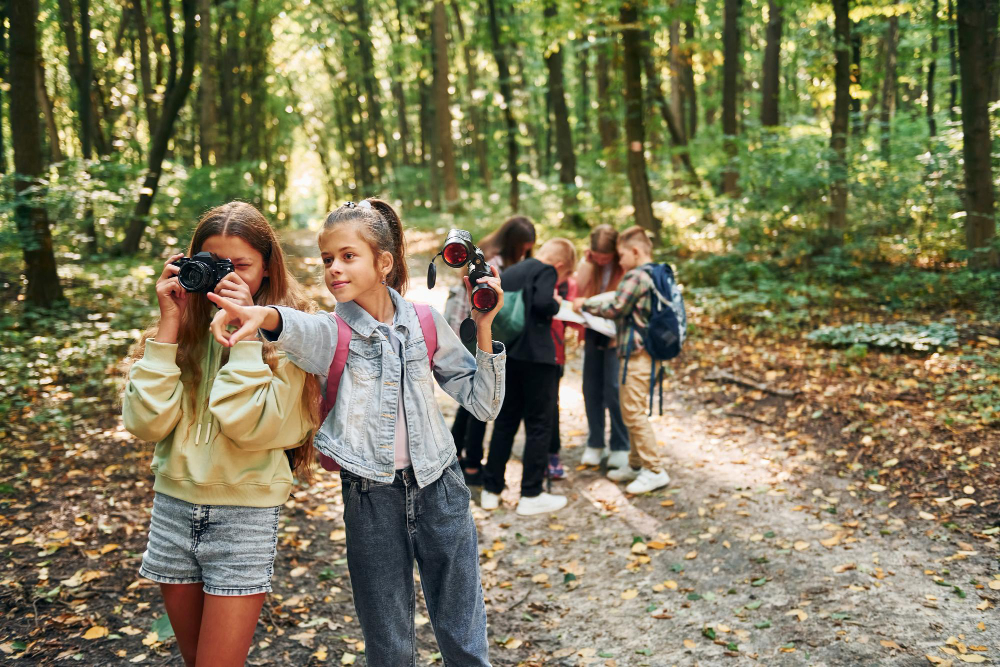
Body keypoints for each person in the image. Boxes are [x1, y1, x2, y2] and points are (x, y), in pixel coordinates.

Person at [206, 199, 505, 666]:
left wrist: (483, 328)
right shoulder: (331, 332)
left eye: (348, 256)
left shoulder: (426, 323)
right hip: (370, 499)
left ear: (382, 262)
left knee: (464, 637)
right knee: (389, 646)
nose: (334, 269)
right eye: (327, 259)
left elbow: (484, 403)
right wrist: (262, 317)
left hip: (441, 490)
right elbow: (292, 325)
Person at [122, 202, 320, 666]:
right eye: (213, 265)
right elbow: (144, 423)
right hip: (173, 506)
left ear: (268, 266)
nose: (225, 278)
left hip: (243, 514)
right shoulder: (182, 326)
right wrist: (170, 324)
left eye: (241, 267)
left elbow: (255, 428)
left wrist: (247, 336)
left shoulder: (291, 330)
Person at [481, 238, 576, 515]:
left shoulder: (512, 271)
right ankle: (531, 494)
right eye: (565, 274)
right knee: (539, 424)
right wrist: (556, 302)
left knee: (506, 422)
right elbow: (545, 303)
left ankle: (491, 489)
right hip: (537, 357)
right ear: (559, 265)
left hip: (509, 355)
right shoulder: (546, 271)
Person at [575, 226, 670, 495]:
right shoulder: (657, 272)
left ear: (636, 251)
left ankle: (654, 470)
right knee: (631, 409)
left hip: (636, 353)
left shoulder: (637, 275)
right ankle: (636, 465)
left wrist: (584, 305)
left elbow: (616, 306)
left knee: (633, 413)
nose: (620, 260)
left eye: (622, 255)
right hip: (643, 352)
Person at [450, 216, 535, 484]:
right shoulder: (494, 265)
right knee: (480, 395)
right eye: (524, 248)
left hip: (465, 325)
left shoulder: (488, 254)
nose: (526, 253)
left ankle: (459, 457)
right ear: (515, 243)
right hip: (473, 330)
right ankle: (472, 464)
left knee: (469, 400)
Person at [573, 224, 630, 469]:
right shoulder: (590, 265)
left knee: (614, 389)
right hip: (593, 331)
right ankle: (596, 442)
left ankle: (620, 444)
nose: (601, 260)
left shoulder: (625, 266)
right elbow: (579, 291)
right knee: (591, 388)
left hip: (617, 334)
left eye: (605, 257)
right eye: (597, 255)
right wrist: (587, 264)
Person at [547, 273, 579, 480]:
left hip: (556, 353)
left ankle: (552, 453)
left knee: (551, 405)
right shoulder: (536, 279)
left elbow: (574, 322)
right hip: (530, 352)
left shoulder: (569, 285)